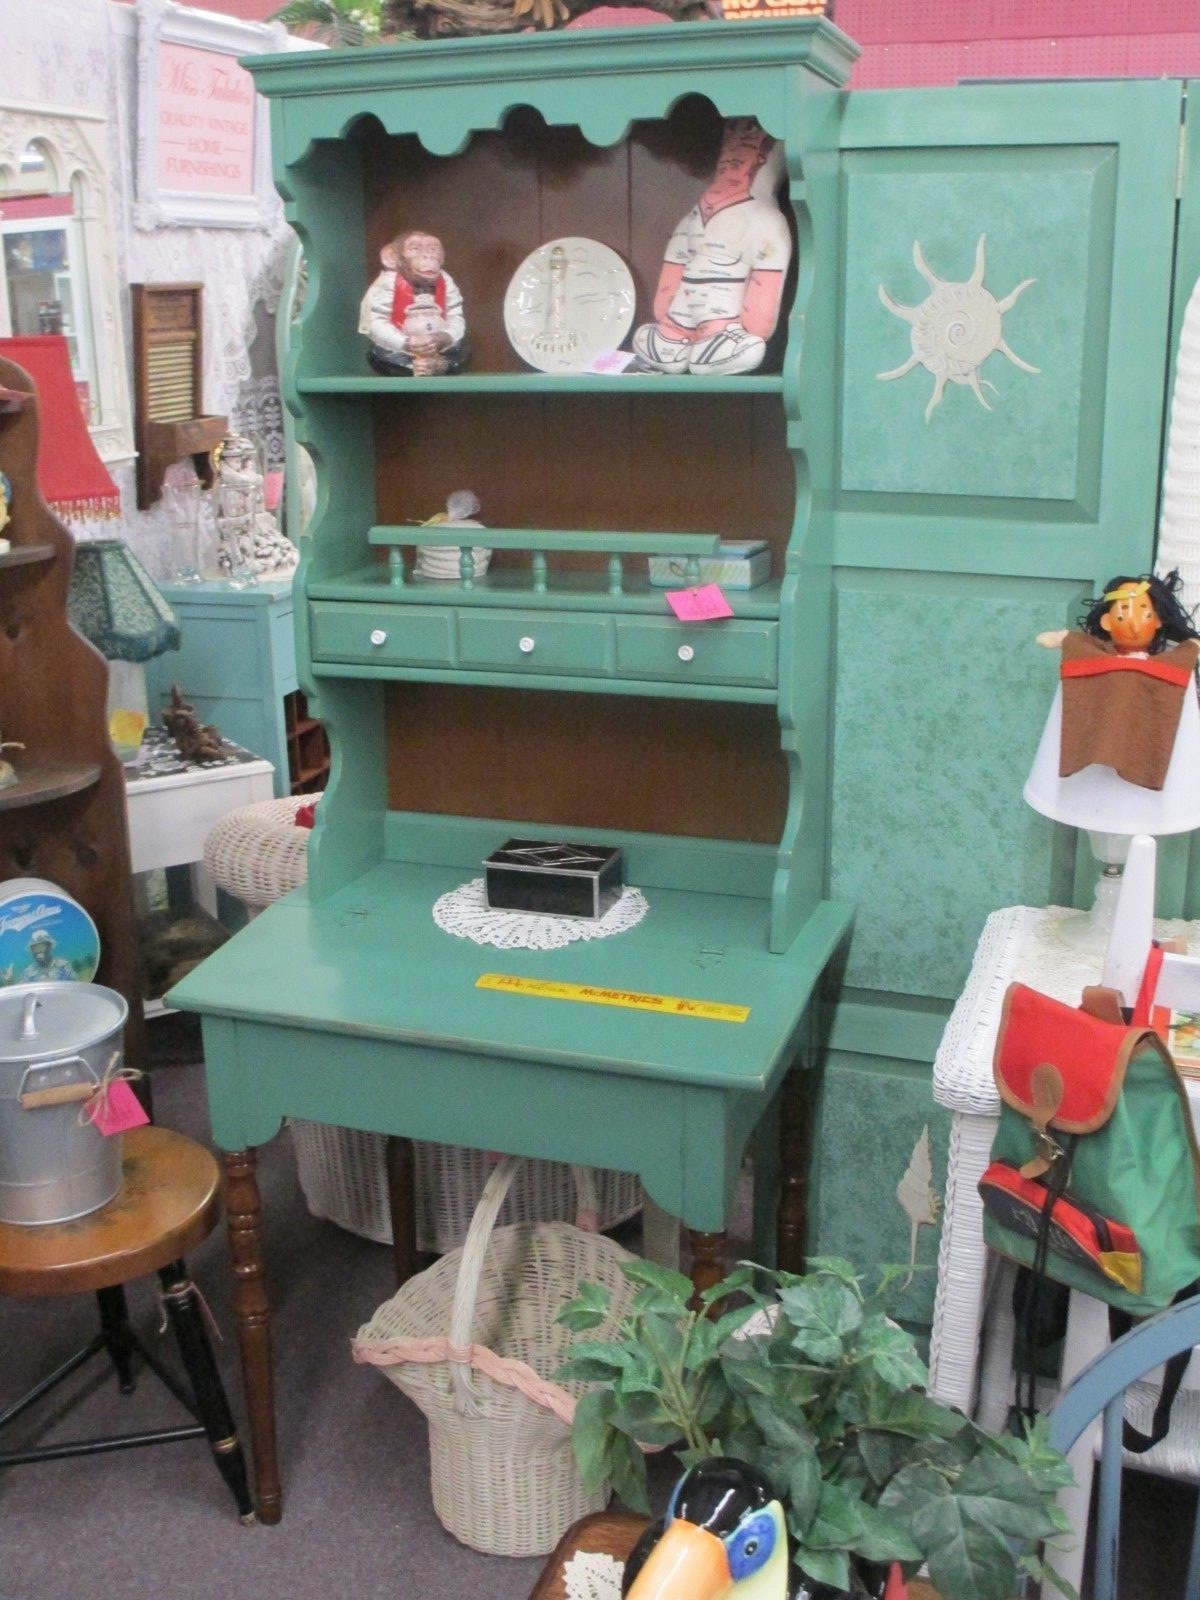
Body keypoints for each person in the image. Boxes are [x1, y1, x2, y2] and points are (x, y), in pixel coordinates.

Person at [631, 117, 791, 377]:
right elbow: (761, 312)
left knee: (748, 348)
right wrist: (666, 313)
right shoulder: (763, 220)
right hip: (686, 324)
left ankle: (686, 344)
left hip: (717, 326)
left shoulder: (763, 219)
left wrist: (752, 329)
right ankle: (674, 341)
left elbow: (761, 310)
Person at [358, 230, 467, 377]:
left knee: (464, 351)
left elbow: (456, 316)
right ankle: (414, 367)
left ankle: (439, 365)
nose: (428, 256)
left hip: (438, 347)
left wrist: (445, 337)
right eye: (415, 249)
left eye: (433, 250)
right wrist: (406, 342)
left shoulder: (446, 281)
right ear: (393, 258)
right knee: (377, 355)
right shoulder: (387, 283)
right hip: (402, 348)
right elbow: (373, 322)